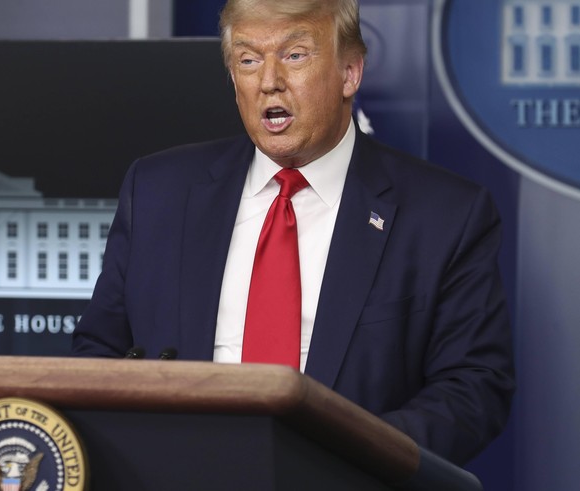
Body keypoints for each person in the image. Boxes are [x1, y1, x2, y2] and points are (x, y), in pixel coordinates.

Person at [72, 0, 514, 466]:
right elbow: (98, 351)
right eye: (248, 60)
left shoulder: (445, 214)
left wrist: (343, 454)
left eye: (295, 55)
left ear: (350, 73)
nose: (269, 81)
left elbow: (474, 388)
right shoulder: (158, 190)